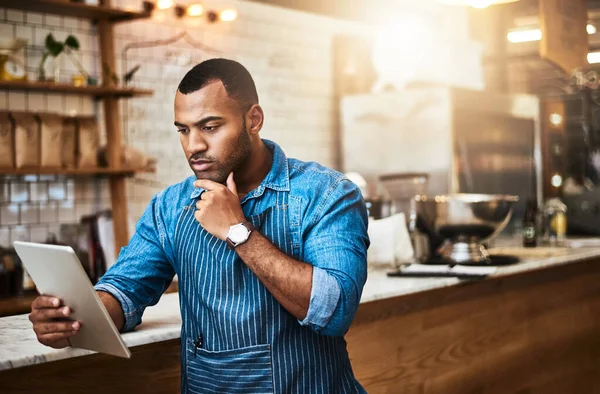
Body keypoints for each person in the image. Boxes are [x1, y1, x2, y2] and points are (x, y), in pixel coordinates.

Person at [28, 58, 370, 393]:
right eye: (183, 130)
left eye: (210, 127)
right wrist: (72, 318)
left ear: (253, 120)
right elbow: (124, 290)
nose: (194, 146)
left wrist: (239, 231)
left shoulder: (327, 194)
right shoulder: (170, 207)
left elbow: (336, 311)